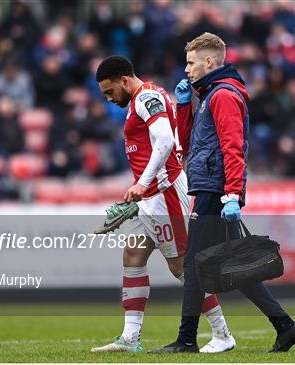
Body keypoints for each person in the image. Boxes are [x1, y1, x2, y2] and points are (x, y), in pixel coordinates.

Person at [150, 33, 295, 354]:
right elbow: (191, 144)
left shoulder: (222, 96)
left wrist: (232, 194)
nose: (187, 69)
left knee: (194, 263)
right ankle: (285, 326)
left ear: (209, 62)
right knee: (232, 263)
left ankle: (187, 338)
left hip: (216, 190)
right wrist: (183, 106)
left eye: (191, 63)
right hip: (211, 186)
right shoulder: (209, 94)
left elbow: (233, 148)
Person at [90, 56, 234, 353]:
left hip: (165, 194)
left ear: (124, 81)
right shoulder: (139, 101)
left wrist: (143, 183)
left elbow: (166, 140)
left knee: (182, 266)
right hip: (151, 198)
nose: (108, 99)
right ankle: (130, 338)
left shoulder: (148, 97)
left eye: (109, 91)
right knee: (132, 255)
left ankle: (222, 334)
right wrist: (143, 189)